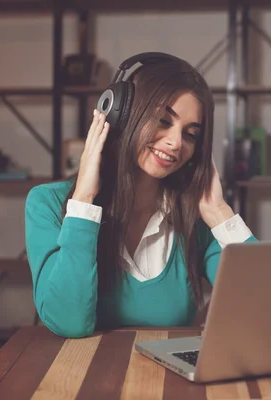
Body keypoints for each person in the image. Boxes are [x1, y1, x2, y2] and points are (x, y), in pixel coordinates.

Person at [24, 55, 258, 338]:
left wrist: (220, 212)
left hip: (171, 380)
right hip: (80, 378)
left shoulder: (194, 220)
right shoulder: (47, 204)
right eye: (163, 121)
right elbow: (69, 321)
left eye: (190, 134)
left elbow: (266, 308)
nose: (175, 142)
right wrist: (84, 200)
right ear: (119, 114)